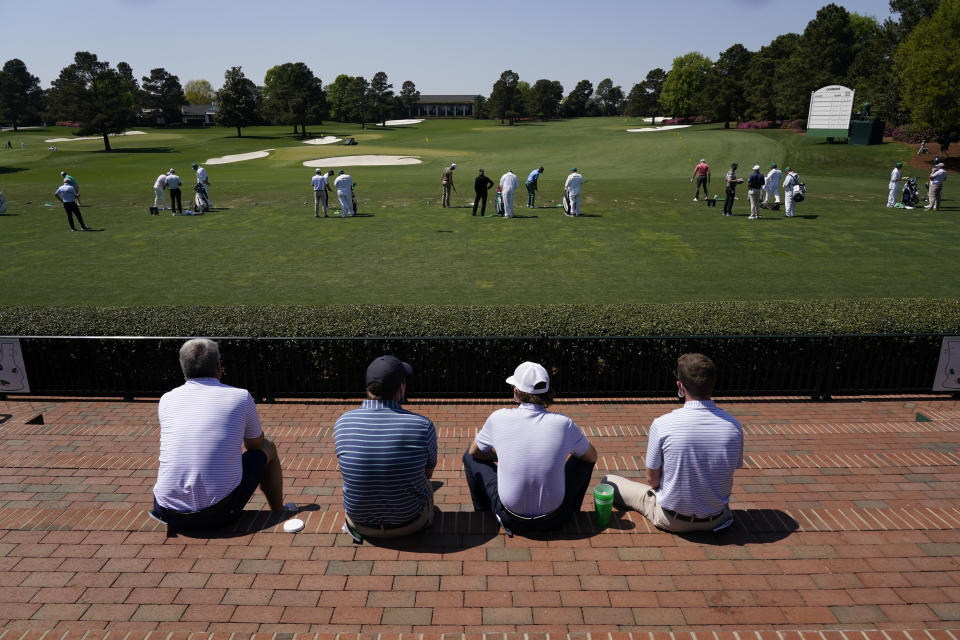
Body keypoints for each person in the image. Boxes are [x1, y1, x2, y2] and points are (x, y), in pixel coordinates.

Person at [152, 339, 288, 530]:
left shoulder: (166, 399)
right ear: (218, 366)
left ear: (183, 368)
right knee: (268, 447)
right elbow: (255, 446)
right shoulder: (240, 396)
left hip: (166, 511)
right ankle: (279, 511)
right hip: (218, 512)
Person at [602, 353, 742, 534]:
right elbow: (732, 467)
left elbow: (652, 480)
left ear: (680, 386)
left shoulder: (663, 424)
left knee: (608, 481)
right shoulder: (734, 426)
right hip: (717, 519)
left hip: (670, 518)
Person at [462, 361, 598, 536]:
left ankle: (484, 514)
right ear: (547, 394)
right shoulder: (564, 424)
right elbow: (592, 456)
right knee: (583, 460)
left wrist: (502, 456)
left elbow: (475, 452)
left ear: (516, 392)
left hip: (511, 518)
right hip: (556, 518)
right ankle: (573, 510)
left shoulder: (498, 418)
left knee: (469, 456)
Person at [335, 355, 437, 539]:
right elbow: (428, 473)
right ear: (401, 388)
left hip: (360, 523)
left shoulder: (343, 423)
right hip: (410, 523)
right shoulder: (423, 425)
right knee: (428, 486)